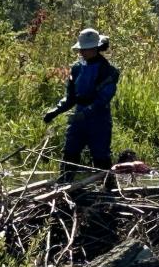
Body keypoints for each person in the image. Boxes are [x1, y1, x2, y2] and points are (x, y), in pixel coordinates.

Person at [42, 28, 120, 183]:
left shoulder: (108, 71)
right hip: (78, 118)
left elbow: (104, 98)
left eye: (84, 49)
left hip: (99, 120)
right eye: (81, 49)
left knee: (100, 155)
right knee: (70, 152)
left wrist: (87, 112)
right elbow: (70, 98)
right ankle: (65, 186)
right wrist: (55, 111)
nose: (81, 52)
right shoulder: (77, 68)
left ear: (95, 48)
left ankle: (108, 190)